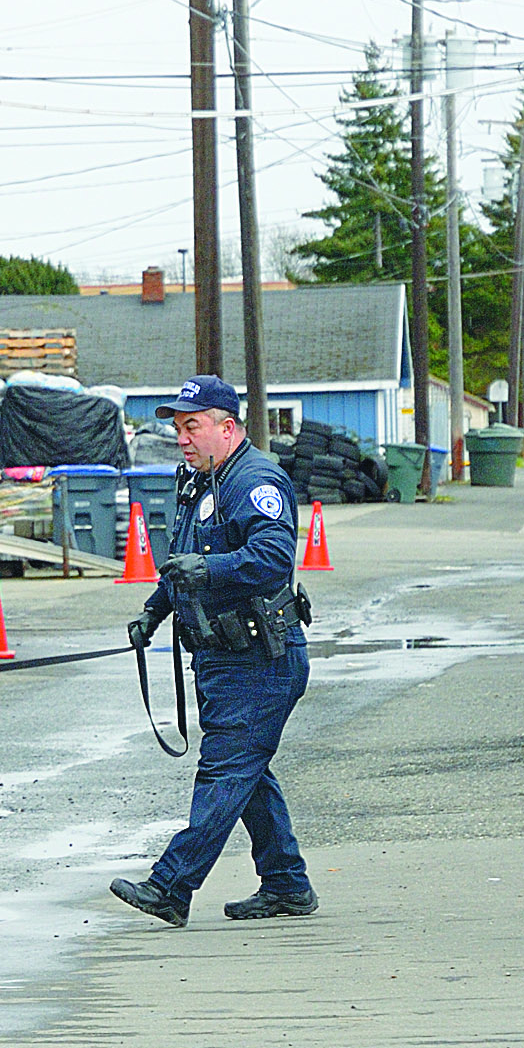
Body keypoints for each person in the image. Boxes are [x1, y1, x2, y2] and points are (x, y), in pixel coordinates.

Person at [111, 375, 315, 928]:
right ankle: (286, 884)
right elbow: (184, 559)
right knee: (248, 774)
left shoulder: (254, 480)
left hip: (260, 658)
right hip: (222, 657)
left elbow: (272, 557)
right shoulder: (200, 481)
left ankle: (171, 887)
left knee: (225, 771)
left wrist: (212, 568)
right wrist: (155, 610)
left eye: (192, 426)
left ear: (228, 428)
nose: (182, 438)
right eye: (178, 428)